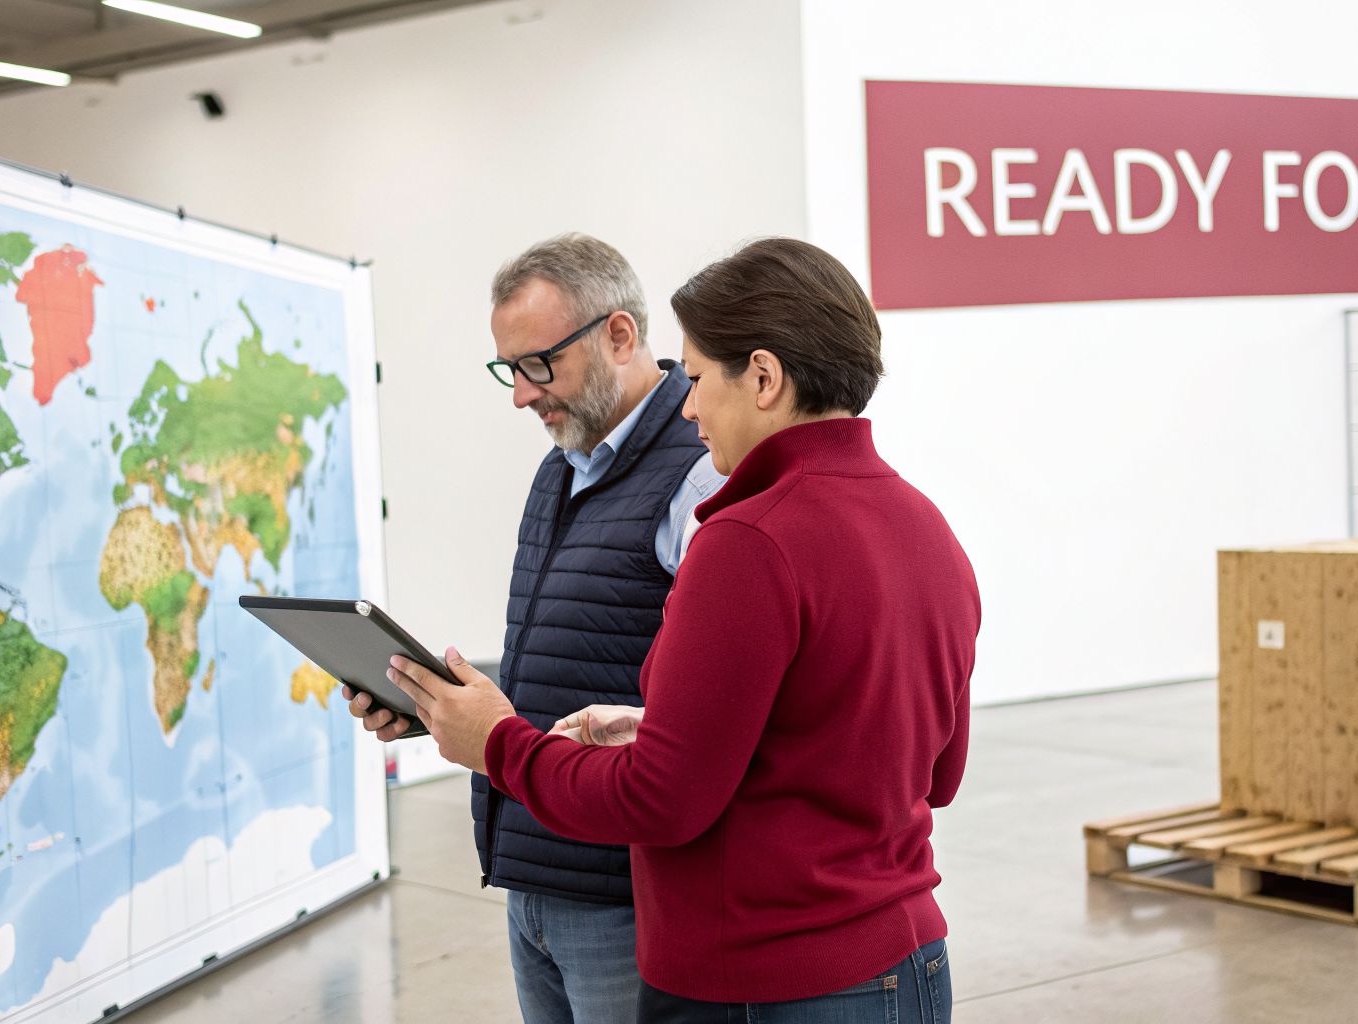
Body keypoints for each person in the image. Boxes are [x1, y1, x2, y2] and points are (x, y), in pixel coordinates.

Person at [385, 237, 980, 1022]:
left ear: (762, 377)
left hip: (774, 985)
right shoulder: (925, 526)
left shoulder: (748, 538)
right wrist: (670, 729)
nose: (689, 406)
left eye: (697, 379)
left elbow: (662, 802)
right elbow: (933, 772)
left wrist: (498, 744)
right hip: (904, 962)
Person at [345, 233, 724, 1024]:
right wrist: (437, 707)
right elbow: (576, 657)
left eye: (538, 365)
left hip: (624, 895)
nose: (521, 395)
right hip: (533, 874)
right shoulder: (561, 468)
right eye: (508, 370)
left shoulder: (699, 475)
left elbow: (709, 710)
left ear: (618, 335)